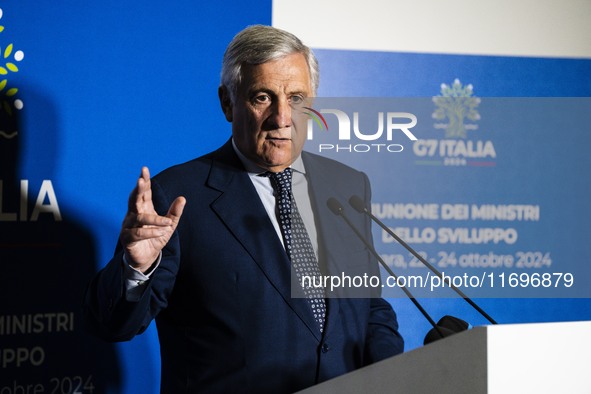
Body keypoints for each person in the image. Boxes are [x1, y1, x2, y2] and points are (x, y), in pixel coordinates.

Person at [84, 24, 404, 393]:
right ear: (227, 102)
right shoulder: (176, 197)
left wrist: (394, 373)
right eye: (263, 97)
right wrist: (136, 268)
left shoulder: (347, 186)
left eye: (297, 98)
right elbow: (111, 325)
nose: (283, 117)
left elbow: (369, 308)